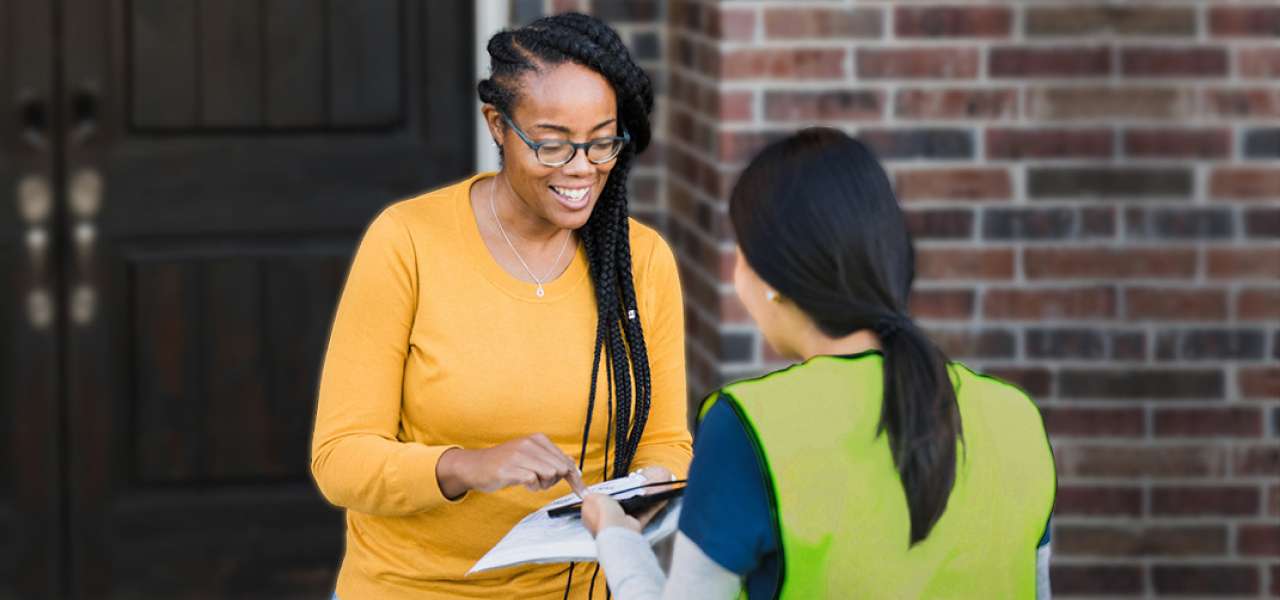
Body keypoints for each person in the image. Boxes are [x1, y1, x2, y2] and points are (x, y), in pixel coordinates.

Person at [310, 13, 692, 599]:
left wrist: (642, 494)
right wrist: (468, 466)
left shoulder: (640, 261)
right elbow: (340, 460)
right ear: (497, 124)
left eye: (601, 141)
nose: (581, 167)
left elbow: (665, 441)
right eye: (553, 143)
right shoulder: (407, 242)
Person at [581, 128, 1056, 599]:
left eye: (740, 251)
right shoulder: (1018, 418)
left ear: (771, 278)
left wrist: (616, 537)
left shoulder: (746, 428)